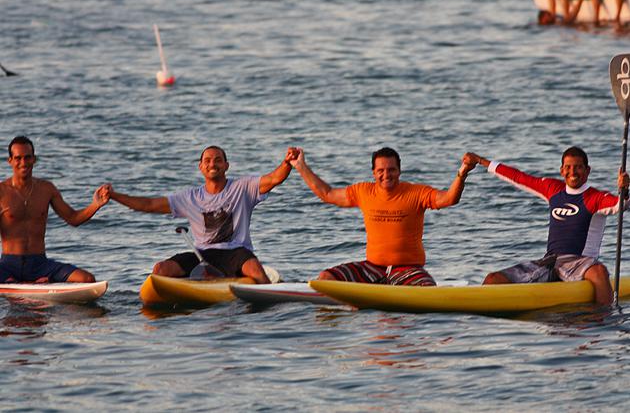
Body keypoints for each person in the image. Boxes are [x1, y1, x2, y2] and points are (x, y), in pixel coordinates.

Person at [105, 146, 299, 284]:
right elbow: (148, 204)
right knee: (160, 270)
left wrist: (287, 163)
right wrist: (114, 196)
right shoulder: (190, 197)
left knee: (256, 270)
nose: (212, 164)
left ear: (226, 165)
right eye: (207, 160)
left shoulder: (243, 187)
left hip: (235, 252)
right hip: (202, 255)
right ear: (201, 167)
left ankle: (267, 307)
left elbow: (274, 178)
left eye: (218, 160)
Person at [289, 147, 477, 286]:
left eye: (391, 170)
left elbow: (449, 198)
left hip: (408, 269)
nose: (386, 175)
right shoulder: (363, 191)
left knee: (427, 289)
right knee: (325, 278)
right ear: (374, 172)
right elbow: (327, 194)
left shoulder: (416, 193)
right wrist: (300, 166)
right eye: (381, 170)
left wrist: (462, 174)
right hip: (372, 268)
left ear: (399, 171)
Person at [467, 147, 629, 305]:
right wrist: (481, 161)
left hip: (580, 263)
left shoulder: (596, 198)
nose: (572, 172)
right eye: (568, 167)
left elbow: (620, 205)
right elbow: (518, 177)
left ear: (587, 170)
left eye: (578, 167)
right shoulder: (552, 189)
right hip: (550, 262)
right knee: (493, 279)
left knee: (599, 271)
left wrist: (625, 190)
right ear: (561, 170)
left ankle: (605, 319)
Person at [0, 136, 110, 283]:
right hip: (8, 265)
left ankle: (27, 283)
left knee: (87, 279)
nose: (23, 163)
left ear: (34, 159)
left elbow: (73, 218)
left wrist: (96, 205)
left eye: (27, 157)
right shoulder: (2, 192)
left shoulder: (46, 189)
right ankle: (21, 283)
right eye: (18, 158)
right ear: (10, 161)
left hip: (39, 264)